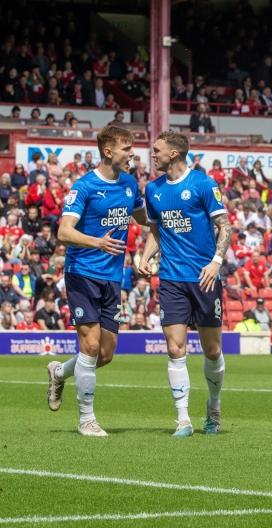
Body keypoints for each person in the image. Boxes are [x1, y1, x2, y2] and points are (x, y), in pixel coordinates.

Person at [46, 125, 147, 437]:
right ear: (108, 151)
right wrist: (97, 242)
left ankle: (59, 372)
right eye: (126, 149)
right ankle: (86, 419)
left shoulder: (130, 183)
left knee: (105, 354)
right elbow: (63, 232)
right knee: (90, 346)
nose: (132, 154)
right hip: (83, 273)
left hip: (112, 277)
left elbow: (144, 218)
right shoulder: (85, 186)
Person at [138, 131, 232, 437]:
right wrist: (145, 256)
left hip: (204, 279)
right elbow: (155, 231)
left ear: (174, 154)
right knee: (174, 347)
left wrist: (216, 261)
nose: (153, 155)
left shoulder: (203, 184)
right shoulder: (152, 189)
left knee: (212, 349)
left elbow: (224, 226)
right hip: (172, 278)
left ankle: (214, 408)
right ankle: (183, 419)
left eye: (157, 150)